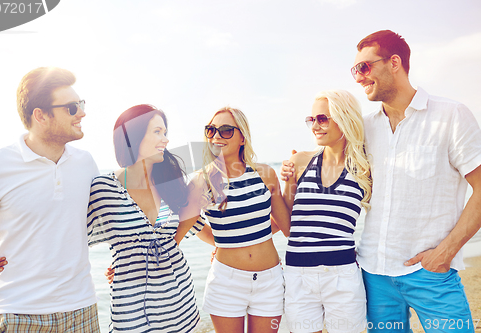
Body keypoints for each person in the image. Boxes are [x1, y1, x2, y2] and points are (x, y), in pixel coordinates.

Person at [283, 30, 481, 333]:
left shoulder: (451, 115)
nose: (358, 78)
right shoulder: (363, 130)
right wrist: (290, 166)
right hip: (373, 276)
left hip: (430, 272)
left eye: (364, 67)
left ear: (394, 63)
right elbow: (327, 149)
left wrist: (446, 252)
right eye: (354, 71)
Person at [0, 67, 100, 332]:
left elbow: (105, 221)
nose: (82, 112)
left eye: (81, 104)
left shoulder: (86, 164)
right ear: (40, 115)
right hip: (19, 315)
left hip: (83, 312)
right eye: (71, 107)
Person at [87, 104, 210, 332]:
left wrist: (223, 251)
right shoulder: (104, 188)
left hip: (182, 311)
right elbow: (69, 236)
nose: (165, 139)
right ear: (132, 136)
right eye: (157, 132)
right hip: (131, 317)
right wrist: (5, 254)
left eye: (165, 132)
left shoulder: (170, 187)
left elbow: (199, 227)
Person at [176, 107, 291, 333]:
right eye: (211, 130)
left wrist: (292, 182)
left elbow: (285, 226)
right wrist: (223, 241)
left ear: (242, 137)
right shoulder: (202, 180)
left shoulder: (265, 174)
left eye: (226, 130)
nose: (217, 136)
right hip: (226, 282)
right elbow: (186, 227)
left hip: (270, 280)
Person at [282, 90, 371, 333]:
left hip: (342, 275)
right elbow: (287, 223)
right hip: (298, 273)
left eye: (322, 119)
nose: (315, 126)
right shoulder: (300, 161)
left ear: (344, 118)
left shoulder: (364, 167)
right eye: (311, 120)